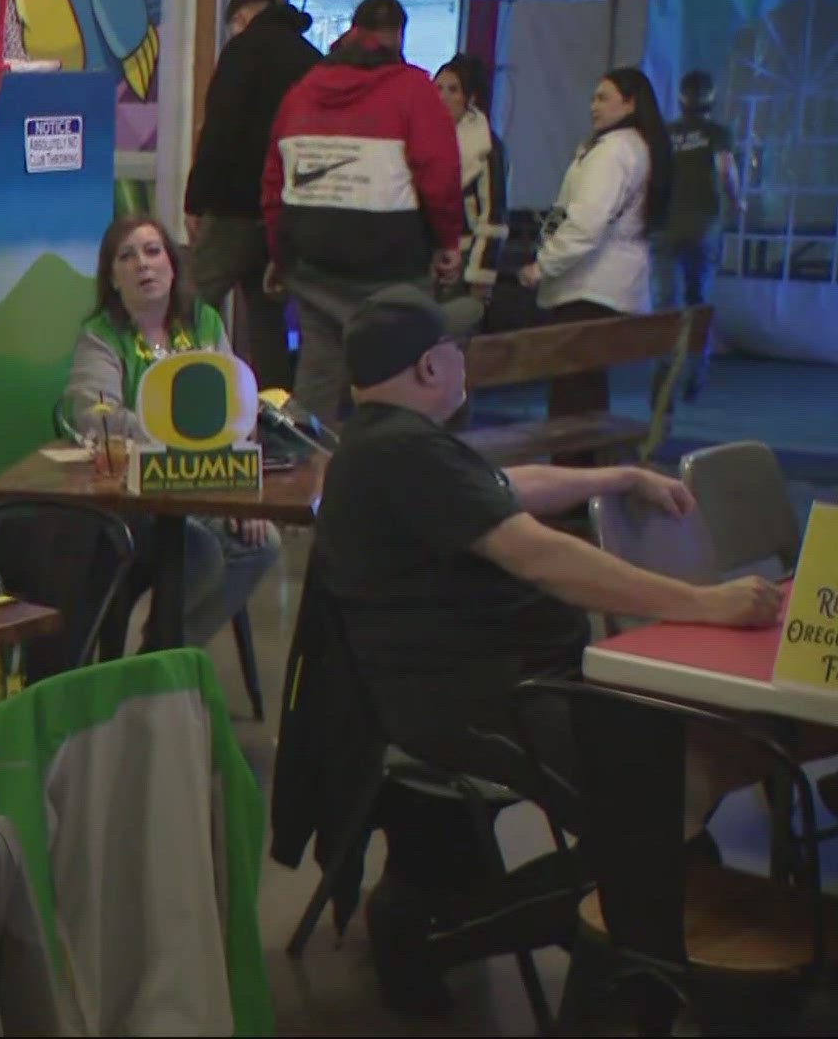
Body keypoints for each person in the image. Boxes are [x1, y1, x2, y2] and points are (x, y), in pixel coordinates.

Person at [314, 286, 785, 1005]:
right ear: (431, 368)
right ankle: (446, 940)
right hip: (491, 702)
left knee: (675, 794)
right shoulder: (404, 453)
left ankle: (603, 938)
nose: (465, 359)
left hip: (488, 688)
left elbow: (503, 487)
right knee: (660, 814)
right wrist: (704, 604)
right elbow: (544, 559)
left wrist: (618, 474)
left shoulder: (388, 443)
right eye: (457, 348)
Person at [63, 213, 279, 647]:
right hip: (132, 497)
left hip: (205, 487)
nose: (143, 264)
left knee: (262, 544)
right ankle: (157, 664)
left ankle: (166, 653)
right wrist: (185, 436)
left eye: (152, 251)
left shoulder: (204, 322)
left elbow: (239, 410)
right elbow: (95, 415)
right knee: (199, 552)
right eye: (127, 256)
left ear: (173, 264)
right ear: (113, 278)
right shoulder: (101, 335)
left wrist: (240, 496)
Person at [261, 0, 468, 426]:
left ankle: (311, 480)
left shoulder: (299, 94)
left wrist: (280, 257)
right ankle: (388, 474)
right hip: (392, 267)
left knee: (317, 380)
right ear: (397, 36)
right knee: (398, 386)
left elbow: (274, 184)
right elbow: (440, 174)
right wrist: (448, 242)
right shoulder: (413, 90)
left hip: (313, 264)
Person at [183, 0, 320, 388]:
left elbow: (219, 131)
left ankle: (160, 389)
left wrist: (196, 200)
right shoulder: (311, 58)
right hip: (288, 214)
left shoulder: (242, 52)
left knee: (184, 302)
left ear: (241, 19)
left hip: (234, 207)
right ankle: (274, 416)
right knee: (267, 319)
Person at [519, 67, 672, 322]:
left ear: (630, 103)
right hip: (619, 286)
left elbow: (586, 223)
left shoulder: (611, 152)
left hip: (589, 289)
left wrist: (543, 265)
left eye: (603, 98)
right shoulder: (640, 147)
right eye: (593, 99)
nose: (594, 106)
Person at [659, 69, 741, 399]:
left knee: (667, 303)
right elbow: (725, 170)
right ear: (712, 97)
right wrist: (737, 202)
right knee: (698, 302)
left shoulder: (667, 133)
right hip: (703, 225)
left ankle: (665, 373)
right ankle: (695, 372)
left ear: (681, 98)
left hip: (667, 226)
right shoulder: (718, 133)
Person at [433, 54, 507, 294]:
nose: (443, 97)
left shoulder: (485, 146)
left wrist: (480, 276)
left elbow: (493, 215)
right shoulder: (426, 138)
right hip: (425, 256)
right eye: (438, 88)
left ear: (470, 98)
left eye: (453, 90)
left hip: (466, 255)